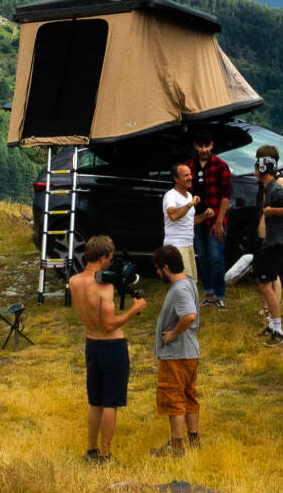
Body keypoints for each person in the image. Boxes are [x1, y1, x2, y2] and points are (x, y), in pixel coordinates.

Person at [68, 235, 144, 464]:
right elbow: (109, 324)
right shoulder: (105, 287)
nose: (111, 262)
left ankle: (90, 450)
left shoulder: (74, 281)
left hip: (91, 342)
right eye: (110, 258)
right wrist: (135, 309)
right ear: (102, 258)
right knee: (111, 402)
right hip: (111, 345)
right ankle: (105, 454)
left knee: (96, 401)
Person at [150, 243, 202, 456]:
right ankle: (194, 440)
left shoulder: (180, 288)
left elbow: (189, 315)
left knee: (174, 399)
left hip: (177, 354)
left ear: (166, 267)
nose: (157, 273)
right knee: (189, 396)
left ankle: (177, 445)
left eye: (158, 268)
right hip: (189, 352)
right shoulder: (188, 282)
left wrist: (172, 334)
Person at [252, 148, 283, 344]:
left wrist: (271, 211)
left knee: (266, 283)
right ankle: (272, 325)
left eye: (256, 167)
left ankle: (278, 330)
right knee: (264, 283)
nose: (254, 171)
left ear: (263, 169)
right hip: (268, 241)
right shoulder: (267, 187)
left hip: (275, 242)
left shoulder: (275, 189)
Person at [190, 130, 233, 307]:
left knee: (216, 257)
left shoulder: (221, 166)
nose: (204, 150)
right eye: (201, 146)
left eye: (207, 146)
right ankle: (208, 295)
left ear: (212, 145)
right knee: (203, 257)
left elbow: (226, 196)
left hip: (216, 220)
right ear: (196, 146)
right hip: (197, 219)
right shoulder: (190, 167)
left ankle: (219, 295)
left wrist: (219, 222)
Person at [162, 162, 197, 259]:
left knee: (191, 275)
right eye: (186, 175)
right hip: (176, 247)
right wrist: (190, 204)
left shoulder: (189, 195)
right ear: (176, 179)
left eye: (190, 174)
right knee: (182, 274)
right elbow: (173, 215)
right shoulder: (170, 195)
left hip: (189, 245)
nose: (190, 177)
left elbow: (190, 220)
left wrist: (206, 215)